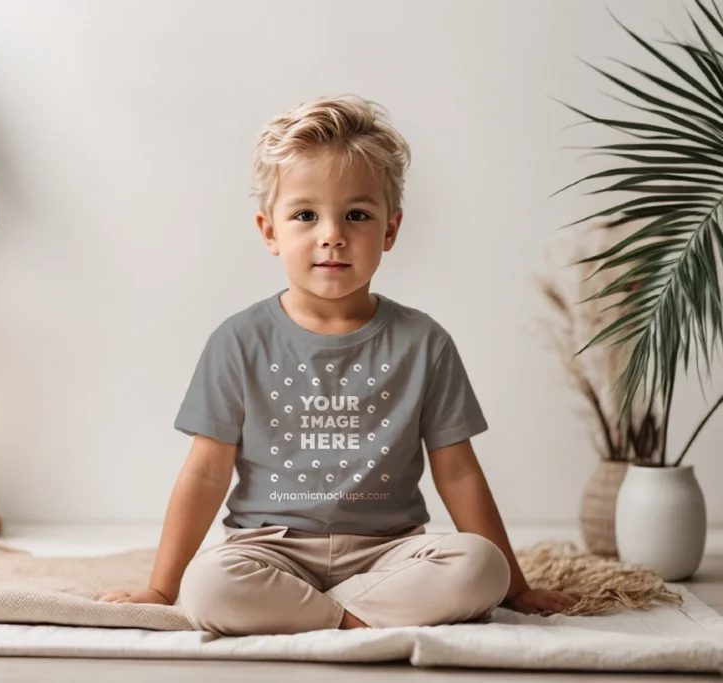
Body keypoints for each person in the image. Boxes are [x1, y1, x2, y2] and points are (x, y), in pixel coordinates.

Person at [98, 94, 578, 635]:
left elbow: (459, 471)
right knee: (208, 586)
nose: (332, 234)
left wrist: (515, 587)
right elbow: (206, 471)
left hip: (388, 554)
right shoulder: (238, 341)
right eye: (305, 215)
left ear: (390, 230)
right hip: (271, 552)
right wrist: (162, 588)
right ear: (270, 232)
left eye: (357, 215)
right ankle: (359, 619)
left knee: (478, 567)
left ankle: (312, 616)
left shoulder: (424, 342)